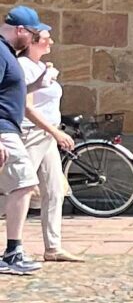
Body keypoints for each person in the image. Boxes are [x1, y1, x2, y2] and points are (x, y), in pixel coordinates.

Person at [20, 26, 74, 263]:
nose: (51, 41)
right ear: (31, 42)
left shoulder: (43, 67)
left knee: (53, 191)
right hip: (31, 134)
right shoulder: (22, 67)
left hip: (48, 136)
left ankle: (53, 247)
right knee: (18, 191)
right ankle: (14, 245)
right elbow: (26, 107)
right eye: (45, 38)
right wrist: (54, 131)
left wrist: (54, 132)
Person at [0, 9, 45, 278]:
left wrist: (37, 84)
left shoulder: (8, 53)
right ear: (20, 30)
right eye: (33, 33)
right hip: (3, 130)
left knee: (22, 185)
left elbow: (9, 92)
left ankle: (13, 251)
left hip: (8, 130)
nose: (33, 39)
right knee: (25, 183)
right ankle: (12, 253)